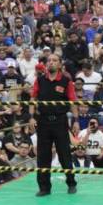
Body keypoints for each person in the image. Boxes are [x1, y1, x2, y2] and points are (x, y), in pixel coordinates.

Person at [30, 54, 77, 196]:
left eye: (54, 60)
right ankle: (44, 188)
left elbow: (72, 101)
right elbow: (33, 98)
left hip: (60, 121)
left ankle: (71, 183)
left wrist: (75, 121)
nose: (51, 63)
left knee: (64, 154)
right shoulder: (39, 80)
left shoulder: (66, 81)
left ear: (60, 64)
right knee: (43, 155)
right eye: (49, 61)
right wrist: (31, 117)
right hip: (43, 121)